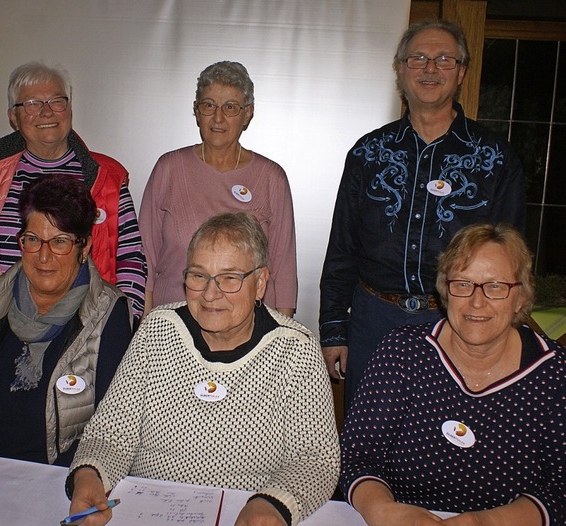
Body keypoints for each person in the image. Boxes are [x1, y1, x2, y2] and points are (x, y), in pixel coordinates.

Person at [65, 212, 339, 526]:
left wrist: (272, 504)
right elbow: (111, 434)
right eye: (198, 276)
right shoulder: (157, 329)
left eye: (229, 278)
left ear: (260, 282)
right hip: (146, 512)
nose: (210, 294)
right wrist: (90, 474)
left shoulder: (296, 349)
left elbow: (316, 459)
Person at [319, 20, 526, 408]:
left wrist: (504, 331)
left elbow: (512, 261)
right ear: (400, 69)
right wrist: (334, 331)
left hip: (459, 324)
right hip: (373, 322)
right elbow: (342, 249)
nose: (430, 68)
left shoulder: (496, 159)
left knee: (449, 443)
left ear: (461, 71)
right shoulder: (367, 153)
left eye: (444, 59)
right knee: (369, 438)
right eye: (418, 58)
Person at [339, 223, 565, 526]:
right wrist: (382, 510)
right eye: (463, 283)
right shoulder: (402, 352)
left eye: (496, 286)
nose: (476, 301)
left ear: (521, 297)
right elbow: (356, 456)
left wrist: (484, 523)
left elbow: (560, 487)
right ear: (445, 290)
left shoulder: (553, 373)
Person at [0, 175, 134, 467]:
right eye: (33, 240)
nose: (44, 256)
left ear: (84, 247)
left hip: (53, 484)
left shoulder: (108, 316)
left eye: (60, 241)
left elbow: (112, 427)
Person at [0, 61, 146, 323]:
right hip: (3, 325)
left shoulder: (106, 176)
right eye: (31, 104)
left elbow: (131, 257)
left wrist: (121, 323)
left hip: (87, 331)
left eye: (56, 101)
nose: (47, 112)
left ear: (69, 109)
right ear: (13, 117)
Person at [139, 60, 297, 318]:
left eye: (231, 107)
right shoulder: (168, 169)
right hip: (173, 325)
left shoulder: (271, 178)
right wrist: (144, 328)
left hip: (248, 333)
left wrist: (282, 336)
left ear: (248, 114)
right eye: (209, 105)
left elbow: (284, 270)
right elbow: (144, 259)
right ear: (196, 111)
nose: (218, 117)